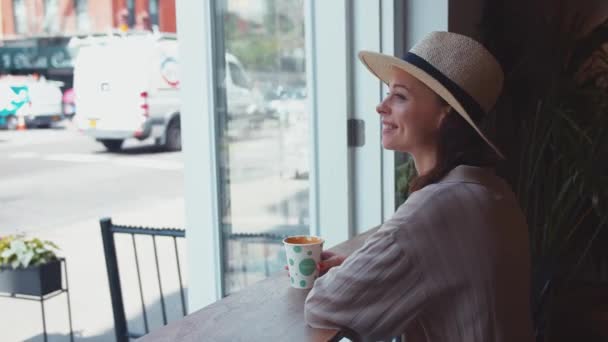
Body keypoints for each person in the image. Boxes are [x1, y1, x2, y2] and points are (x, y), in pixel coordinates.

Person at [303, 31, 535, 342]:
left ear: (444, 114)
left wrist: (356, 271)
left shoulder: (436, 206)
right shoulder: (493, 190)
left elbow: (324, 304)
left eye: (399, 96)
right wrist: (371, 268)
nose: (381, 107)